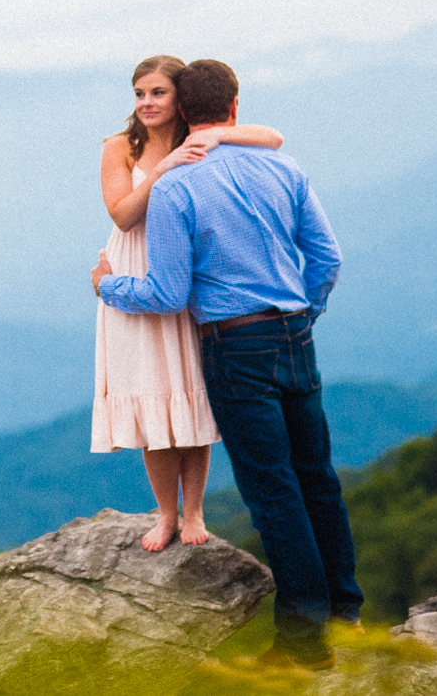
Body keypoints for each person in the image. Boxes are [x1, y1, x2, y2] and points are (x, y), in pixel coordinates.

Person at [93, 58, 359, 669]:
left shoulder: (177, 187)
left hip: (236, 346)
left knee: (275, 493)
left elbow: (165, 293)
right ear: (234, 109)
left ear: (184, 111)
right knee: (318, 479)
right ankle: (346, 615)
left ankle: (302, 644)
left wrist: (108, 286)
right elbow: (327, 256)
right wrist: (303, 313)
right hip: (295, 334)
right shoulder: (282, 167)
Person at [88, 55, 286, 552]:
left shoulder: (195, 138)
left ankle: (194, 512)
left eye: (157, 92)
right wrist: (163, 173)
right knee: (149, 390)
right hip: (133, 270)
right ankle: (166, 514)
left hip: (182, 273)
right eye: (139, 94)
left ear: (180, 97)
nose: (147, 103)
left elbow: (273, 138)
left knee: (188, 391)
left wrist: (215, 137)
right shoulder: (120, 147)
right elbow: (123, 216)